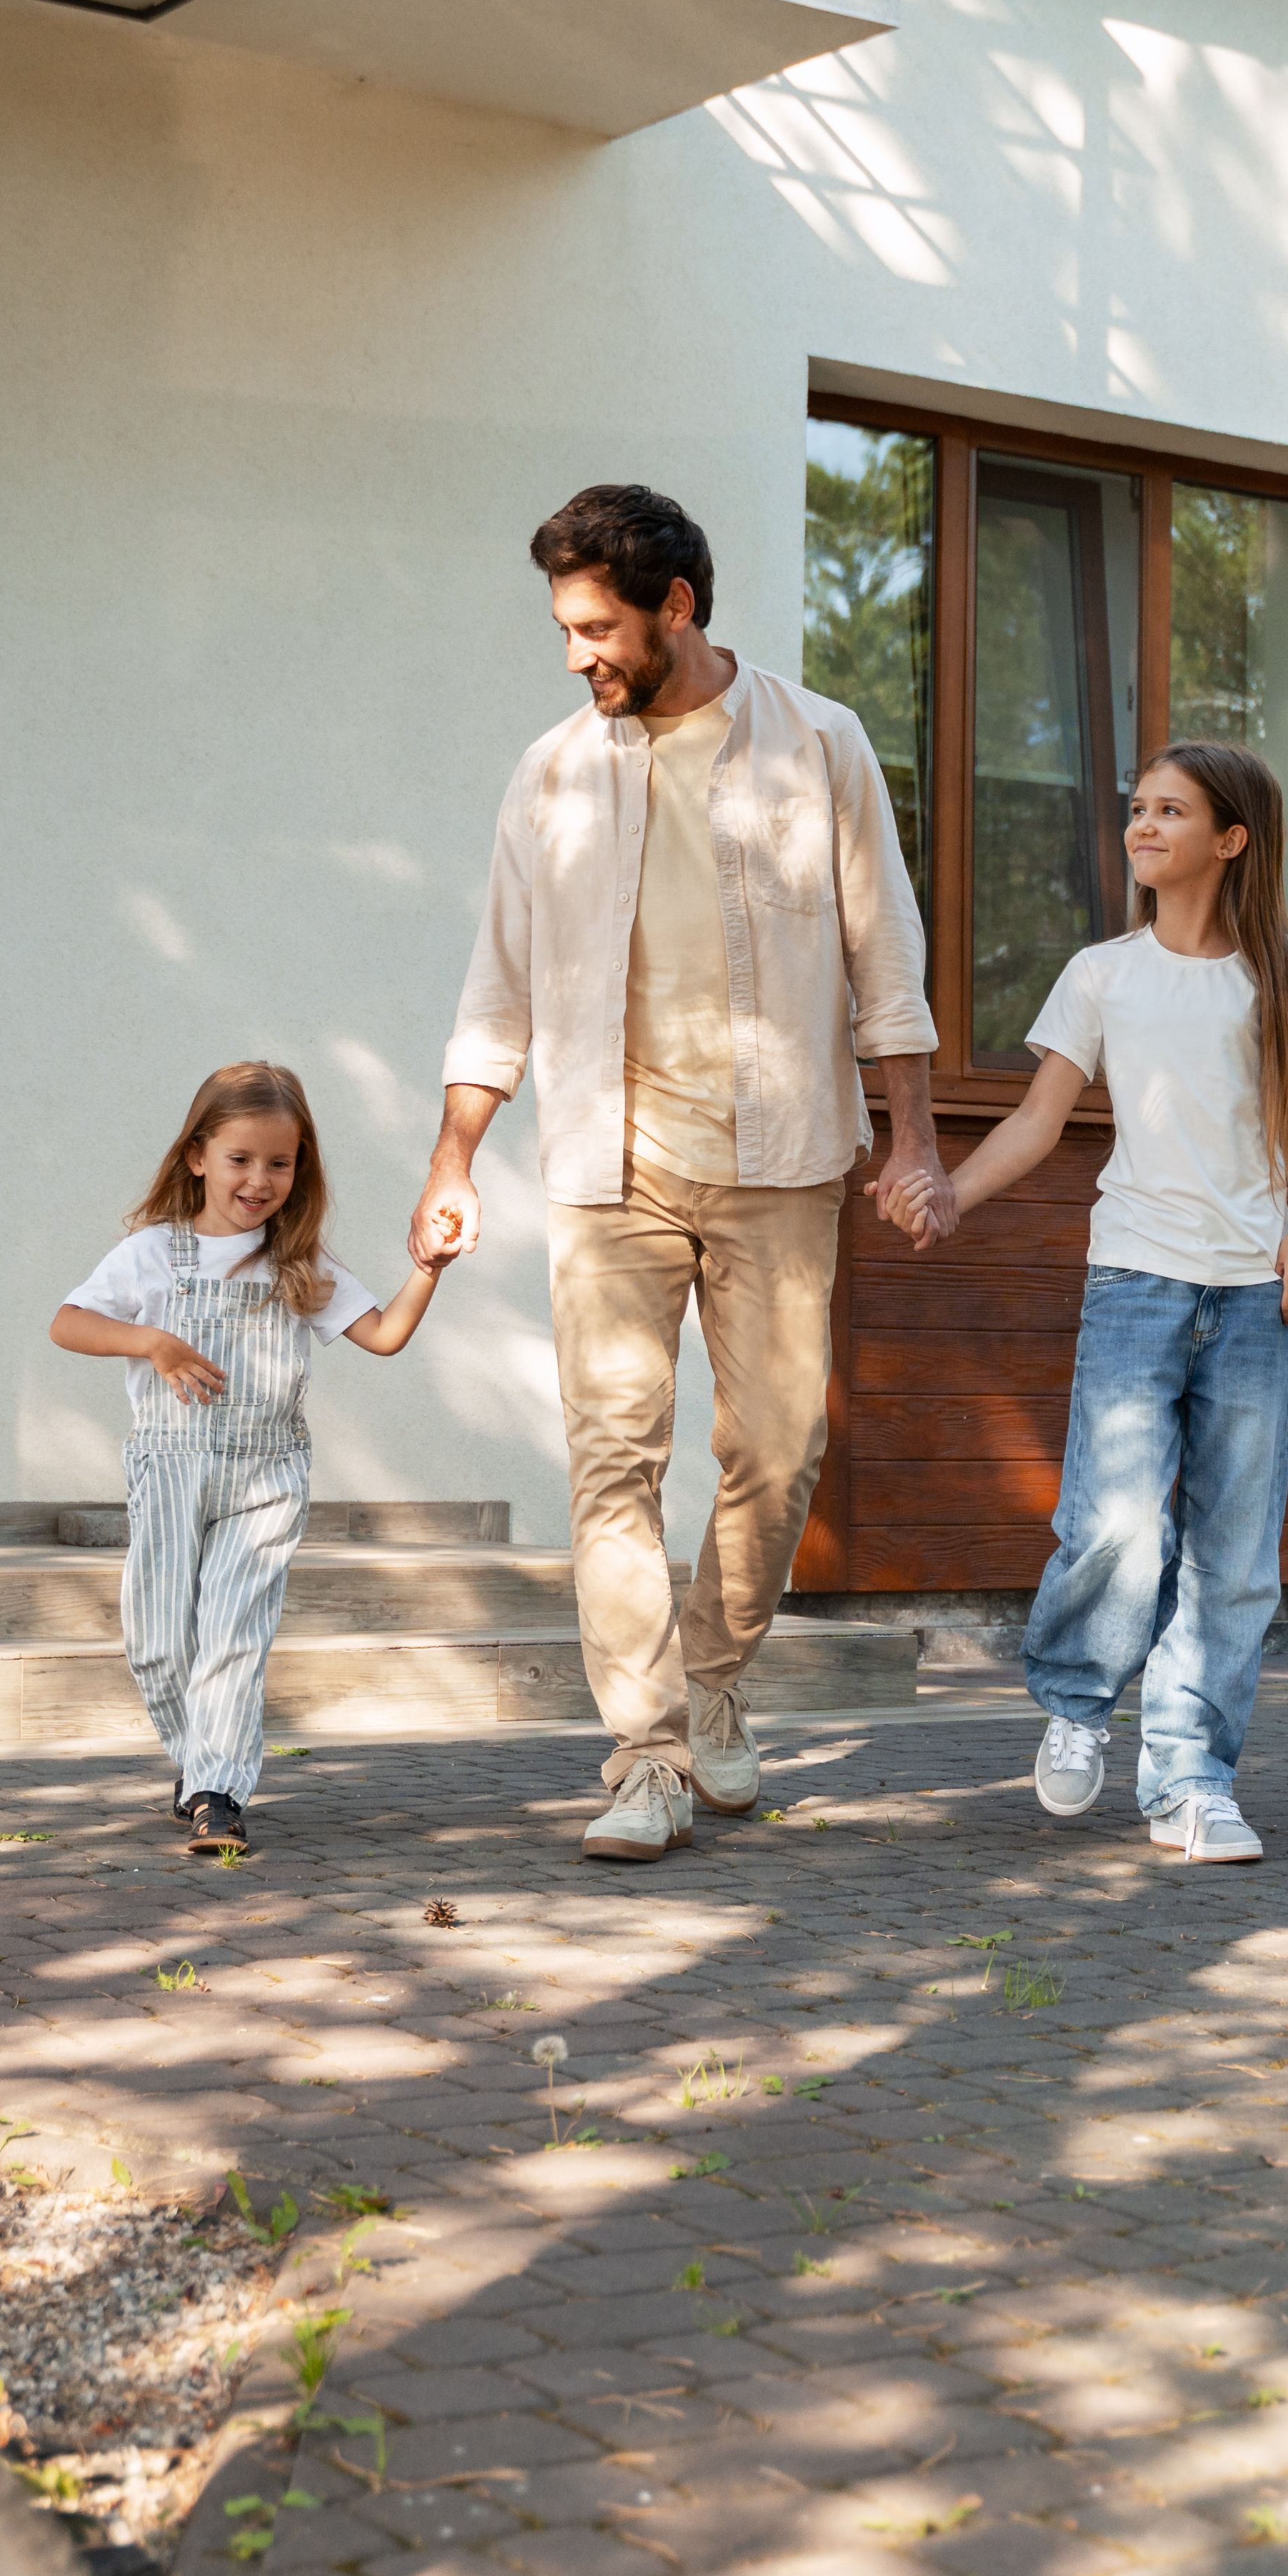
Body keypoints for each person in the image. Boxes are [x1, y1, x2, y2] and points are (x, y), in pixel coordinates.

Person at [414, 484, 944, 1861]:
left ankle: (713, 1677)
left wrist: (919, 1139)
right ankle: (641, 1753)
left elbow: (887, 957)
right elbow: (499, 981)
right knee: (613, 1466)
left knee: (778, 1452)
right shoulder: (550, 773)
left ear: (678, 609)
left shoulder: (820, 745)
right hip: (609, 1168)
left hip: (781, 1162)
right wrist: (456, 1154)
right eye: (565, 626)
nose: (577, 652)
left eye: (596, 626)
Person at [915, 740, 1288, 1863]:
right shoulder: (1101, 973)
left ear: (1231, 838)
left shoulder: (1286, 973)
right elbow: (1036, 1121)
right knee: (1113, 1522)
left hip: (1256, 1295)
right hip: (1135, 1282)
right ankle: (1075, 1707)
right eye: (1137, 809)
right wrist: (950, 1194)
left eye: (1171, 810)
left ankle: (1193, 1780)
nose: (1142, 826)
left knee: (1235, 1550)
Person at [54, 1061, 449, 1856]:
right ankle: (199, 1759)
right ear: (198, 1156)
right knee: (158, 1640)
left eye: (280, 1162)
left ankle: (216, 1791)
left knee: (234, 1635)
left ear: (300, 1169)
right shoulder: (151, 1254)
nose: (260, 1179)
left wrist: (428, 1268)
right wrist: (152, 1342)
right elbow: (69, 1323)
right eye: (240, 1159)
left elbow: (385, 1336)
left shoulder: (300, 1262)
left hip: (265, 1479)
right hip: (170, 1470)